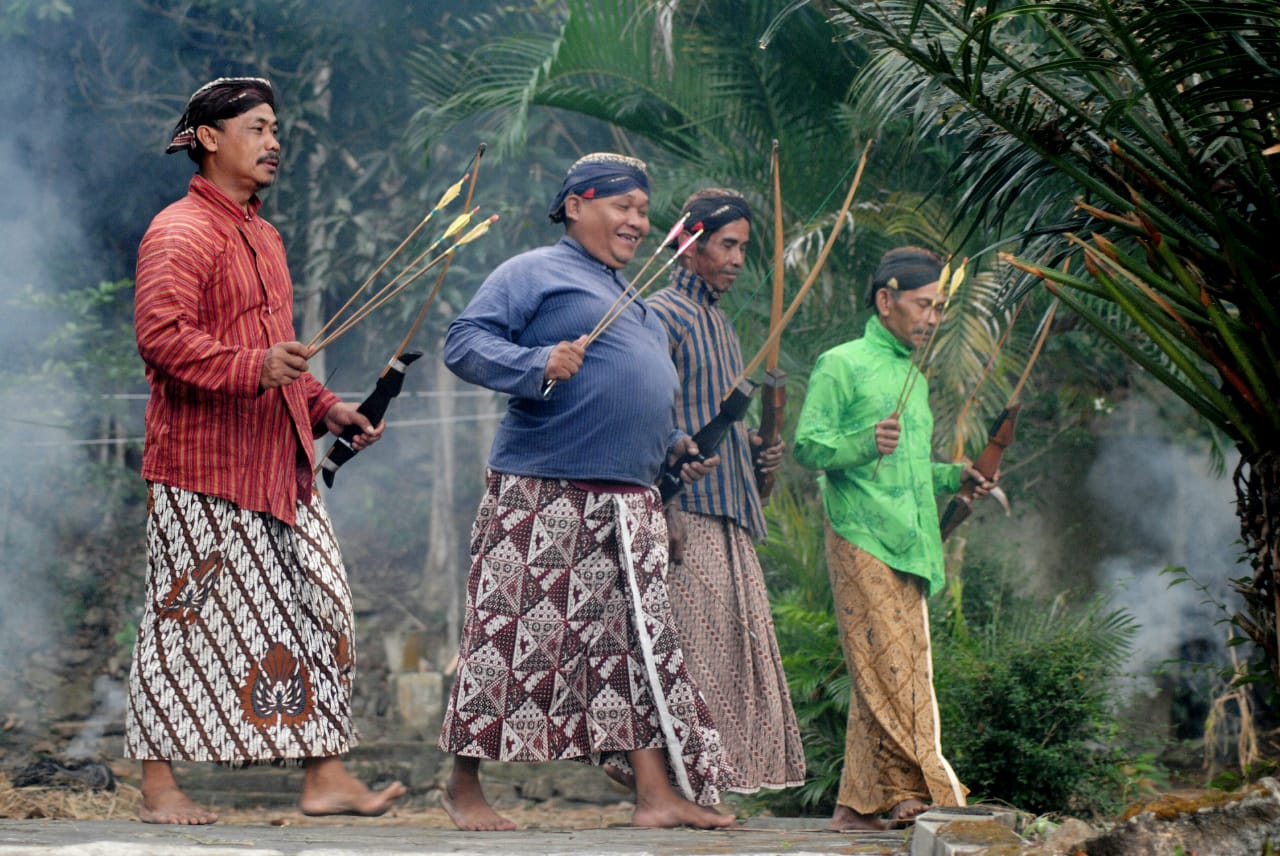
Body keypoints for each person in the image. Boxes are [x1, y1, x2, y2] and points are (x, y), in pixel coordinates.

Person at [125, 77, 406, 825]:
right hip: (201, 469)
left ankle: (325, 775)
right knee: (180, 623)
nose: (274, 141)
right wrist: (254, 367)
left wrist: (329, 408)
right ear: (209, 138)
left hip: (278, 470)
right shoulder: (179, 231)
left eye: (276, 128)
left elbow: (282, 362)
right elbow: (161, 340)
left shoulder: (263, 234)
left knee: (322, 609)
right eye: (257, 127)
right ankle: (158, 787)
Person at [437, 152, 734, 832]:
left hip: (629, 501)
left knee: (631, 647)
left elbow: (638, 393)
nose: (637, 221)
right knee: (505, 636)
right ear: (575, 205)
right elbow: (464, 342)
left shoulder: (636, 300)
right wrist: (534, 362)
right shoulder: (533, 272)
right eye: (622, 206)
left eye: (643, 211)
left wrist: (674, 447)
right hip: (541, 488)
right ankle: (464, 786)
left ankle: (654, 796)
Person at [792, 246, 995, 831]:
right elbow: (810, 445)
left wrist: (956, 475)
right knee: (894, 670)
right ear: (886, 301)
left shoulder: (912, 376)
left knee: (886, 669)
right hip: (860, 534)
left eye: (939, 308)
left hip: (912, 541)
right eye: (923, 305)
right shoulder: (842, 363)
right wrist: (861, 440)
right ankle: (932, 789)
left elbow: (907, 470)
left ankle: (854, 808)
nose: (932, 319)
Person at [645, 189, 805, 795]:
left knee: (729, 655)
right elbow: (650, 412)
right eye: (727, 244)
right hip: (688, 507)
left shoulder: (718, 322)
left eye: (744, 247)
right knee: (696, 653)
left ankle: (706, 786)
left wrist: (760, 443)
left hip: (730, 509)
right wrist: (667, 502)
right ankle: (687, 788)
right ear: (690, 243)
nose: (738, 258)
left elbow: (718, 418)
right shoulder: (663, 313)